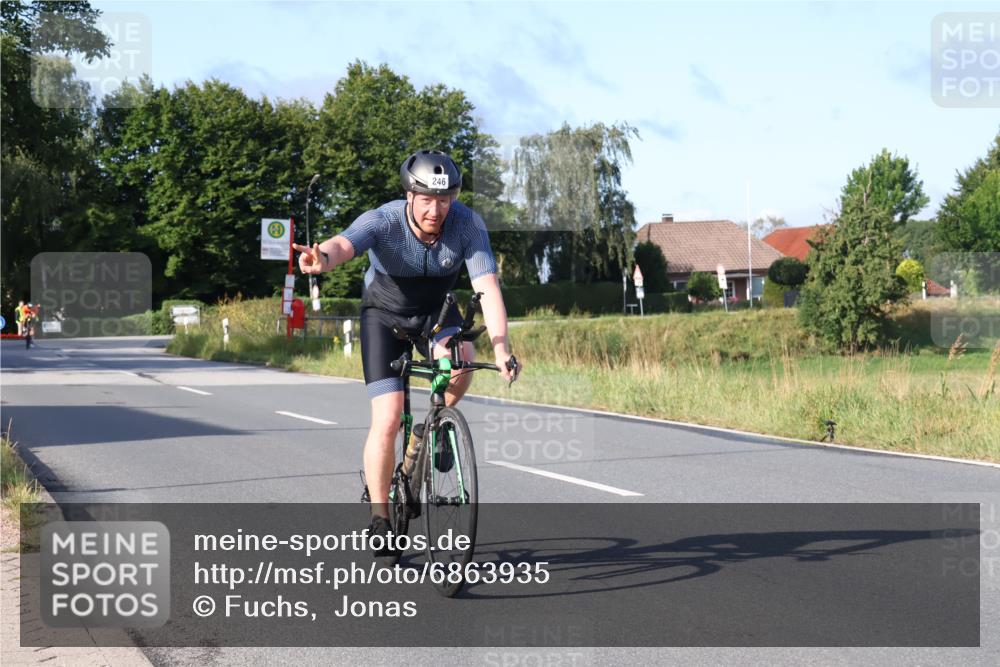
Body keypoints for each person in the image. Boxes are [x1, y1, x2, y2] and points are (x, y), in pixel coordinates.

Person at [294, 150, 521, 554]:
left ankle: (433, 427)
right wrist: (322, 258)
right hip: (384, 315)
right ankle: (380, 516)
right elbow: (343, 244)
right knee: (387, 417)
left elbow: (487, 288)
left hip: (436, 313)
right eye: (427, 200)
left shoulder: (467, 225)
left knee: (463, 359)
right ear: (409, 195)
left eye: (444, 200)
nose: (436, 210)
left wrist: (502, 348)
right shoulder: (384, 220)